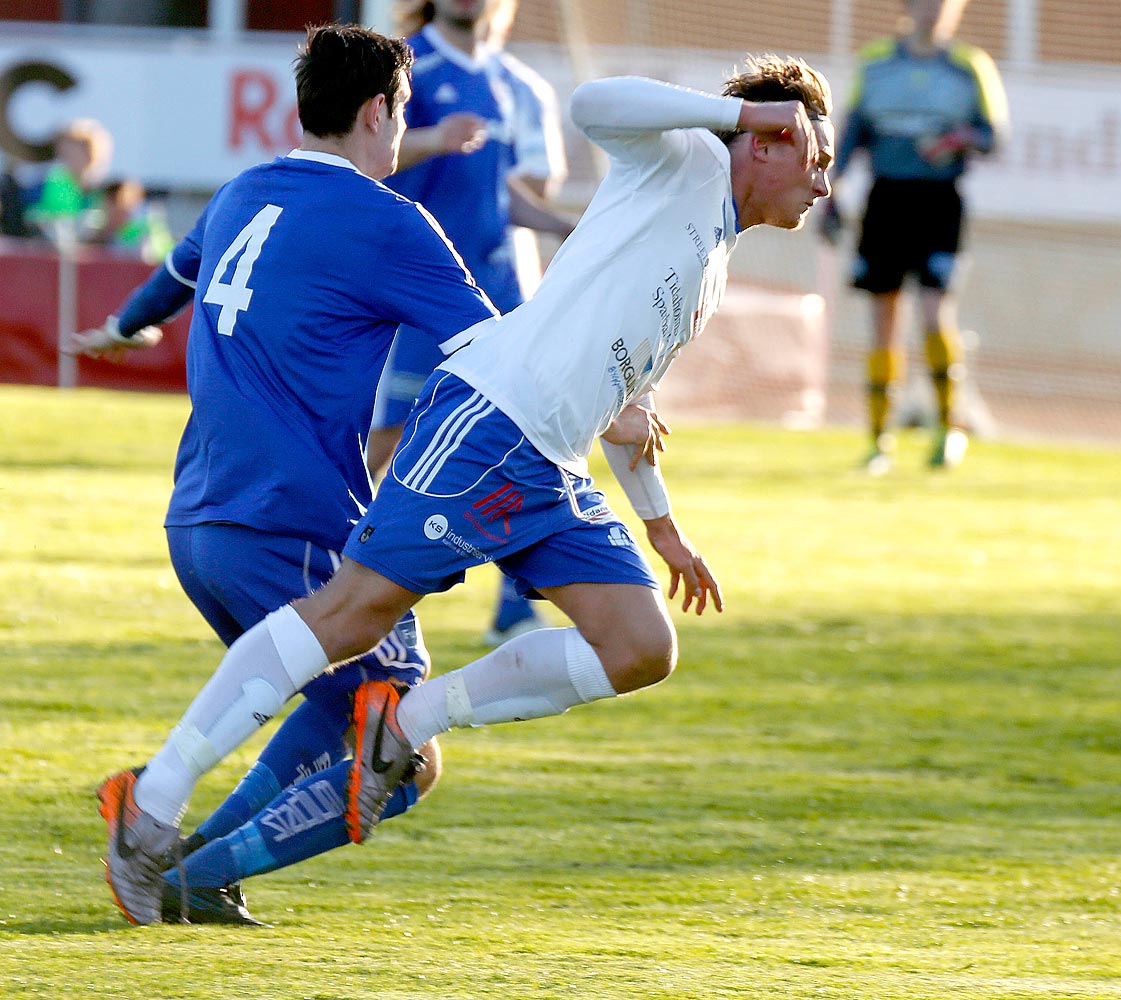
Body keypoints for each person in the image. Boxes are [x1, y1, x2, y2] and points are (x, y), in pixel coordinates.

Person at [96, 55, 834, 927]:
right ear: (770, 139)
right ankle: (157, 798)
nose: (824, 181)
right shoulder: (689, 156)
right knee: (354, 613)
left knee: (639, 647)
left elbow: (629, 402)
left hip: (552, 461)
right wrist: (737, 116)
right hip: (492, 421)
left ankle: (402, 728)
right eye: (817, 154)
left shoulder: (712, 255)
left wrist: (664, 531)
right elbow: (595, 102)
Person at [80, 23, 509, 926]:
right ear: (377, 111)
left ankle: (194, 866)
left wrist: (124, 326)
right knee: (401, 748)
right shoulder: (388, 219)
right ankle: (172, 847)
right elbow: (497, 354)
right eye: (402, 115)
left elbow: (172, 275)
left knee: (335, 701)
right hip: (293, 521)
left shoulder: (245, 191)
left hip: (198, 521)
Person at [375, 0, 575, 648]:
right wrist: (432, 139)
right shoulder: (405, 67)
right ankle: (326, 572)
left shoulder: (521, 86)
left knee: (527, 439)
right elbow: (359, 160)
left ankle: (516, 602)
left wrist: (576, 231)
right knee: (386, 441)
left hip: (502, 295)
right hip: (415, 294)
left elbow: (509, 190)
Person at [820, 0, 1007, 474]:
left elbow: (993, 136)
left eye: (942, 3)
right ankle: (879, 440)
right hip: (886, 200)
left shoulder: (971, 67)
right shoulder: (876, 63)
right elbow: (852, 136)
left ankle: (949, 430)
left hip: (940, 202)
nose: (933, 11)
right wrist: (831, 192)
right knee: (884, 318)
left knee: (933, 313)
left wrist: (952, 141)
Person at [26, 118, 112, 240]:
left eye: (71, 150)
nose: (64, 156)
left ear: (90, 152)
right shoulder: (50, 181)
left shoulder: (101, 189)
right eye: (62, 151)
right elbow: (32, 214)